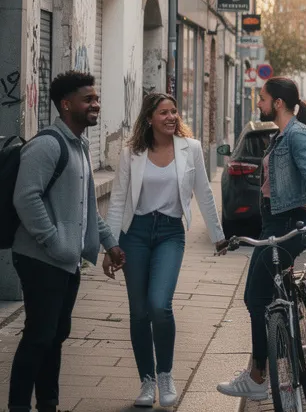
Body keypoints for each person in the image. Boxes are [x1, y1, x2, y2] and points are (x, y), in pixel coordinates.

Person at [104, 92, 228, 408]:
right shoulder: (132, 152)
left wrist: (218, 235)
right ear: (149, 119)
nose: (172, 117)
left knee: (159, 305)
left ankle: (165, 374)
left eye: (174, 111)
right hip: (135, 234)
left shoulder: (192, 149)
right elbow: (117, 199)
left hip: (170, 233)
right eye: (164, 113)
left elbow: (203, 193)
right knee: (139, 311)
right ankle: (146, 381)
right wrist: (111, 244)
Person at [9, 71, 123, 412]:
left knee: (55, 337)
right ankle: (17, 407)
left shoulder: (79, 147)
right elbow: (25, 199)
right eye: (88, 99)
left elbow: (85, 207)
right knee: (39, 336)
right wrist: (56, 243)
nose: (96, 104)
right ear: (66, 104)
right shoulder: (47, 145)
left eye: (96, 98)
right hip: (42, 258)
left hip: (66, 261)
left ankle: (48, 404)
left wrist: (108, 242)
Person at [218, 77, 306, 401]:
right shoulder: (281, 136)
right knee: (270, 295)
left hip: (286, 224)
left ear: (278, 103)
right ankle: (288, 333)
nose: (259, 103)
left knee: (255, 297)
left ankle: (257, 377)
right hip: (274, 222)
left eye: (262, 98)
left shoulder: (298, 135)